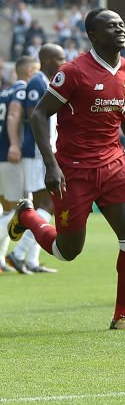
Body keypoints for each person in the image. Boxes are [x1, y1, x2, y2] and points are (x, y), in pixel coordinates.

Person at [8, 8, 125, 331]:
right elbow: (40, 115)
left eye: (122, 25)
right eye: (112, 26)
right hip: (74, 170)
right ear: (93, 35)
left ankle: (122, 316)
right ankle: (27, 216)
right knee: (68, 251)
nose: (120, 30)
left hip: (113, 165)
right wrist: (51, 166)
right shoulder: (73, 72)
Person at [5, 44, 65, 274]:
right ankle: (18, 254)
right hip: (40, 152)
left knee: (44, 204)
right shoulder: (38, 83)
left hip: (43, 151)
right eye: (59, 58)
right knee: (48, 204)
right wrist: (48, 151)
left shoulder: (46, 82)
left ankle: (29, 259)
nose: (64, 62)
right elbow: (34, 117)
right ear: (47, 60)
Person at [0, 56, 38, 273]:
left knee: (6, 209)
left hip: (2, 156)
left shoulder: (4, 91)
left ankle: (1, 261)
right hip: (11, 157)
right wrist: (15, 144)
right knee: (15, 213)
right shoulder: (22, 90)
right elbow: (15, 115)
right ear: (30, 72)